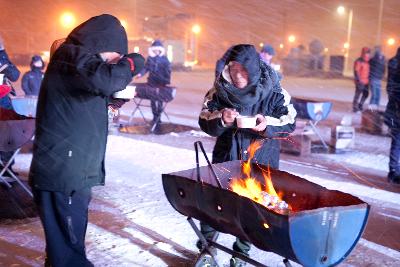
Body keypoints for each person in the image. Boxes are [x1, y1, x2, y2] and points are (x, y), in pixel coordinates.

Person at [28, 14, 145, 267]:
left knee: (65, 247)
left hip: (71, 170)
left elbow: (87, 102)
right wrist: (133, 62)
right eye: (115, 59)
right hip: (64, 172)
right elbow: (107, 79)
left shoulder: (79, 65)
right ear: (101, 43)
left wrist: (113, 102)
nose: (116, 65)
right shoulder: (72, 56)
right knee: (69, 255)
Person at [198, 44, 297, 267]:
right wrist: (221, 118)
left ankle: (240, 254)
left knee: (251, 208)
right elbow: (204, 118)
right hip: (226, 158)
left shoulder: (275, 91)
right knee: (213, 203)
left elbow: (290, 122)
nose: (237, 75)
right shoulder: (220, 90)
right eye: (233, 69)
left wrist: (266, 125)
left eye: (243, 70)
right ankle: (207, 248)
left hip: (261, 161)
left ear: (252, 70)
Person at [138, 40, 171, 128]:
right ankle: (154, 117)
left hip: (161, 82)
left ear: (161, 50)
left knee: (159, 100)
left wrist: (166, 80)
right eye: (154, 50)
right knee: (153, 100)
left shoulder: (164, 59)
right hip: (152, 82)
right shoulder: (150, 58)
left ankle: (158, 117)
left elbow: (168, 71)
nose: (156, 51)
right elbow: (146, 68)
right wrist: (140, 74)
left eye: (158, 50)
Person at [0, 35, 21, 177]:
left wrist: (2, 54)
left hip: (5, 102)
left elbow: (14, 74)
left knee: (10, 134)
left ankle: (7, 168)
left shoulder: (2, 55)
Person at [384, 47, 400, 184]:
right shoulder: (396, 70)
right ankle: (394, 171)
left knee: (396, 142)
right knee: (397, 142)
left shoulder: (395, 70)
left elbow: (391, 90)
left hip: (394, 114)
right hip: (396, 114)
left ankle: (394, 171)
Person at [352, 47, 370, 112]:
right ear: (363, 53)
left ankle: (360, 105)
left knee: (366, 94)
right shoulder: (359, 61)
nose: (367, 54)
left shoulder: (368, 61)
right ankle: (355, 107)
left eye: (368, 53)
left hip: (366, 81)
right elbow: (356, 71)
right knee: (358, 94)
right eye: (366, 53)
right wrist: (358, 80)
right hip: (360, 81)